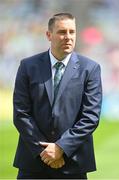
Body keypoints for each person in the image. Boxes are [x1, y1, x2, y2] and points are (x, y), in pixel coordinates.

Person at [13, 13, 102, 179]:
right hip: (33, 164)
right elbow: (21, 113)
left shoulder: (90, 69)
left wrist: (61, 148)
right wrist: (44, 152)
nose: (68, 37)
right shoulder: (27, 66)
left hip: (73, 164)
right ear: (49, 35)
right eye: (62, 32)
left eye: (72, 32)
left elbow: (90, 117)